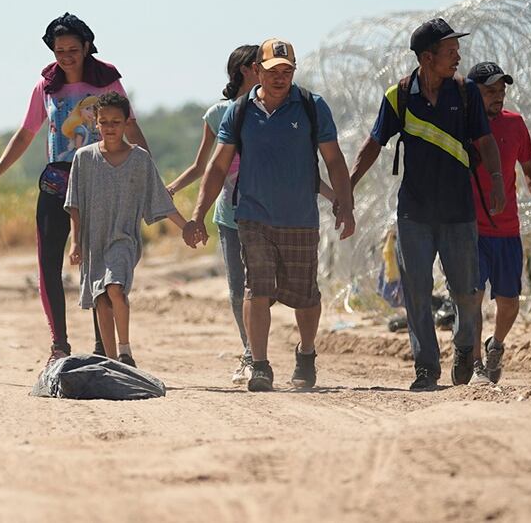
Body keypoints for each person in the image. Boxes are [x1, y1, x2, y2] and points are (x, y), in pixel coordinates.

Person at [0, 13, 151, 367]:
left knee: (99, 265)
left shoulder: (108, 83)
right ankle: (59, 344)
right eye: (59, 50)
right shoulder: (46, 87)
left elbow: (130, 128)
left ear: (86, 47)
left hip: (102, 179)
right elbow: (25, 134)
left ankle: (105, 348)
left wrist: (149, 172)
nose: (66, 56)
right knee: (49, 263)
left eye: (72, 49)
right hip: (57, 181)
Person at [186, 38, 355, 392]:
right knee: (256, 287)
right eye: (273, 71)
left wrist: (345, 204)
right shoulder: (240, 111)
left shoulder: (311, 106)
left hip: (300, 216)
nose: (280, 77)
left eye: (287, 71)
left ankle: (306, 353)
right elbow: (217, 167)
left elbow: (334, 159)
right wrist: (199, 212)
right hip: (253, 214)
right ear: (257, 71)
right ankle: (260, 364)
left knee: (306, 295)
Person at [348, 18, 505, 391]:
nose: (458, 57)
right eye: (450, 52)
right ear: (426, 57)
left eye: (457, 50)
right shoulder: (399, 96)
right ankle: (426, 368)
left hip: (458, 211)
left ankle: (465, 346)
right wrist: (348, 186)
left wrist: (497, 181)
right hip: (414, 212)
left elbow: (485, 142)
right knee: (416, 290)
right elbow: (373, 144)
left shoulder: (465, 93)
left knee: (466, 292)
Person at [65, 93, 192, 367]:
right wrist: (75, 244)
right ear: (95, 125)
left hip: (124, 238)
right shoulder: (83, 159)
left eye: (116, 122)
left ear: (125, 125)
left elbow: (159, 199)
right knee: (100, 298)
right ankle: (113, 363)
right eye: (104, 122)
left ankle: (125, 351)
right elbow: (74, 204)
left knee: (115, 288)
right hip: (93, 240)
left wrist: (187, 226)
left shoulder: (139, 160)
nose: (110, 127)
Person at [166, 45, 259, 384]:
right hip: (230, 216)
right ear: (247, 70)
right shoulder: (218, 114)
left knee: (266, 286)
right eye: (262, 66)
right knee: (238, 289)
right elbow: (201, 166)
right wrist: (172, 190)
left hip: (268, 215)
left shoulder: (271, 110)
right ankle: (251, 353)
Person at [464, 62, 531, 384]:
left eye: (501, 90)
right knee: (474, 296)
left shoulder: (515, 124)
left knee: (509, 303)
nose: (498, 96)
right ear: (474, 93)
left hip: (507, 230)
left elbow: (529, 168)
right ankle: (475, 362)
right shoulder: (462, 124)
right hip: (471, 229)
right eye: (490, 91)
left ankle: (496, 345)